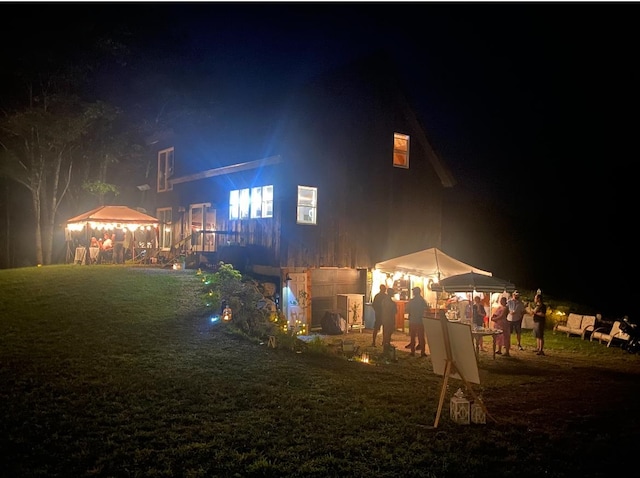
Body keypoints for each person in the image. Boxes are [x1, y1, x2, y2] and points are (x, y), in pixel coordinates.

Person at [405, 286, 428, 357]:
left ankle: (412, 351)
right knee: (421, 337)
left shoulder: (411, 301)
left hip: (413, 320)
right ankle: (422, 352)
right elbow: (426, 309)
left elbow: (407, 309)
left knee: (412, 337)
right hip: (420, 321)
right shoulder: (422, 301)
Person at [381, 287, 397, 354]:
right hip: (390, 319)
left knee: (385, 332)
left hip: (385, 318)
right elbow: (394, 311)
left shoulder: (384, 301)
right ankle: (386, 345)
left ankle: (386, 344)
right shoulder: (391, 303)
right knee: (388, 332)